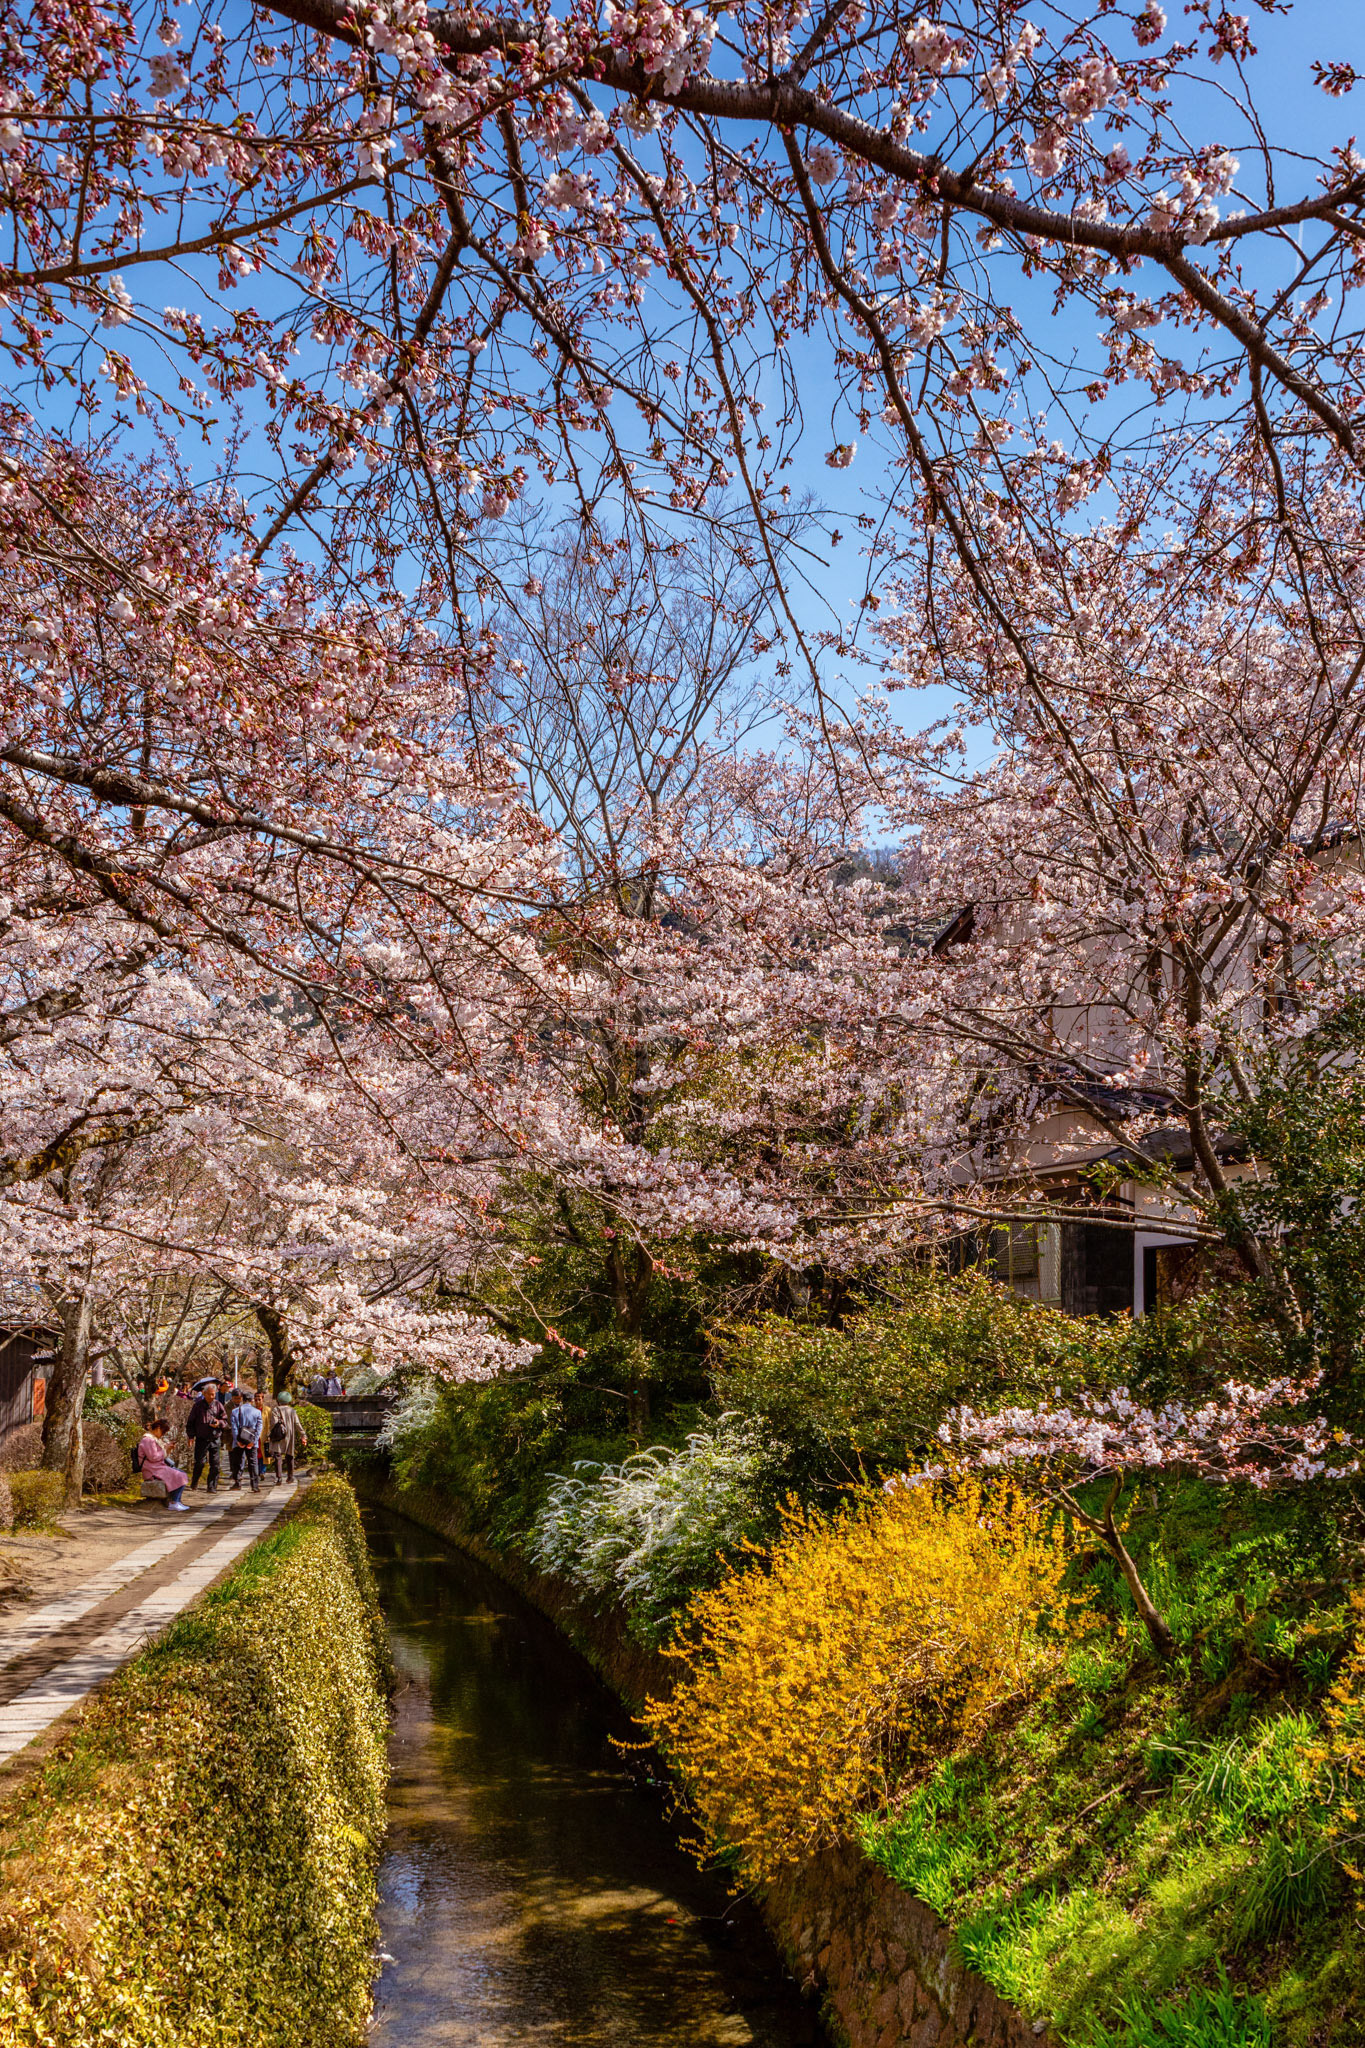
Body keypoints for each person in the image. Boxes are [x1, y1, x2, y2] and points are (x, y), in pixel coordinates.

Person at [136, 1418, 191, 1511]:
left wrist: (167, 1448)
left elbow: (158, 1456)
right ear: (158, 1428)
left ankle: (176, 1501)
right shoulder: (148, 1440)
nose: (163, 1434)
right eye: (163, 1432)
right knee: (181, 1475)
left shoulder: (153, 1439)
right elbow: (153, 1457)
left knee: (181, 1473)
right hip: (151, 1470)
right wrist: (164, 1449)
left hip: (155, 1468)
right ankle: (174, 1502)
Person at [186, 1379, 228, 1492]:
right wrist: (191, 1436)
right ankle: (194, 1482)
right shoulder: (198, 1406)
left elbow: (225, 1420)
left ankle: (212, 1486)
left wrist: (218, 1423)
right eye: (209, 1394)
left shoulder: (218, 1405)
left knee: (215, 1464)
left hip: (215, 1437)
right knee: (200, 1463)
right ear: (204, 1394)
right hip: (201, 1438)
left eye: (213, 1394)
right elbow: (190, 1422)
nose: (211, 1396)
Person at [267, 1393, 308, 1485]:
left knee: (278, 1456)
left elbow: (274, 1423)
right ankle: (290, 1477)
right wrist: (303, 1435)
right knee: (290, 1456)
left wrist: (269, 1433)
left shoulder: (276, 1410)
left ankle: (279, 1478)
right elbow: (297, 1423)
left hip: (278, 1435)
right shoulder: (292, 1411)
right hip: (290, 1435)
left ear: (278, 1400)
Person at [231, 1389, 263, 1493]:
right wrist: (254, 1440)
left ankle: (237, 1482)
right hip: (252, 1441)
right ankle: (255, 1485)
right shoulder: (257, 1412)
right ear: (252, 1400)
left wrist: (237, 1440)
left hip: (239, 1440)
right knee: (253, 1463)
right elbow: (259, 1428)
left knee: (238, 1462)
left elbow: (234, 1428)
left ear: (242, 1399)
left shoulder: (235, 1411)